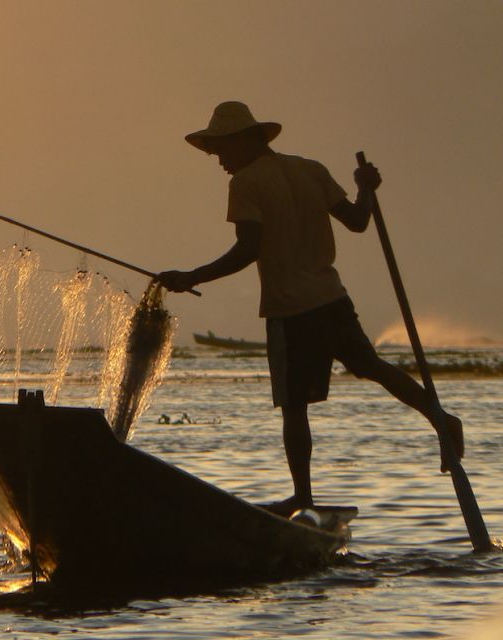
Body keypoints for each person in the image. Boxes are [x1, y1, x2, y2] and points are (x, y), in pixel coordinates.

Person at [157, 101, 464, 515]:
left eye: (222, 151)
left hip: (291, 309)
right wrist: (366, 190)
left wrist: (191, 277)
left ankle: (302, 497)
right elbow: (358, 220)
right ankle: (441, 418)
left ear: (245, 141)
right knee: (372, 366)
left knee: (294, 405)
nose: (220, 161)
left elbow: (249, 249)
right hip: (332, 297)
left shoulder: (247, 183)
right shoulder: (310, 169)